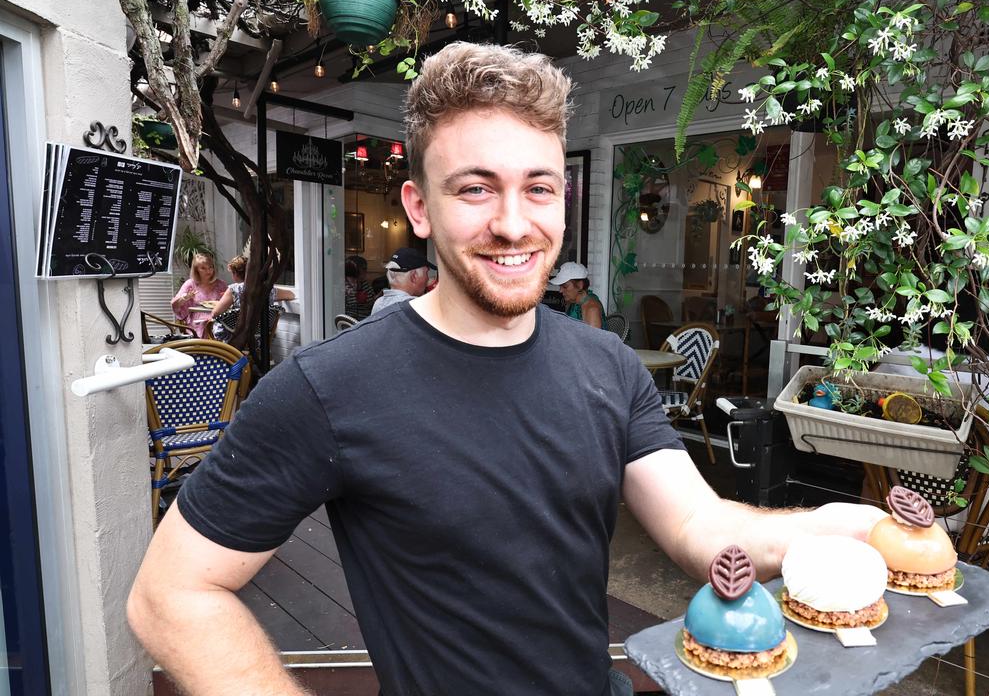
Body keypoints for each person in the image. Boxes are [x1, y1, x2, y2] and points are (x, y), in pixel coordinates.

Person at [126, 43, 885, 696]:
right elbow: (171, 593)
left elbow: (696, 524)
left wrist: (826, 529)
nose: (514, 223)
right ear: (419, 208)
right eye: (475, 187)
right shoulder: (329, 387)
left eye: (538, 187)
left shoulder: (608, 366)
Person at [208, 256, 296, 341]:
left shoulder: (234, 289)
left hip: (236, 338)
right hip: (260, 338)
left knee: (214, 325)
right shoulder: (266, 289)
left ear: (235, 273)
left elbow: (215, 313)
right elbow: (291, 295)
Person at [170, 252, 227, 338]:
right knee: (205, 325)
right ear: (196, 270)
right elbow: (175, 305)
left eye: (210, 267)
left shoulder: (221, 284)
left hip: (218, 319)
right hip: (197, 322)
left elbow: (230, 303)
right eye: (203, 268)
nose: (208, 271)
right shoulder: (190, 284)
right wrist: (185, 298)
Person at [370, 246, 436, 315]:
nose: (428, 278)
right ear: (414, 276)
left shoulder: (378, 303)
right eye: (426, 273)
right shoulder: (417, 306)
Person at [549, 261, 603, 327]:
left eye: (565, 286)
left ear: (580, 285)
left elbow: (594, 337)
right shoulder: (573, 301)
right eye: (560, 286)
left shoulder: (591, 309)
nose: (560, 291)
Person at [344, 255, 377, 320]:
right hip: (349, 321)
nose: (366, 271)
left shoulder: (365, 284)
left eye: (365, 268)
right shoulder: (344, 286)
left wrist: (369, 300)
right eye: (363, 269)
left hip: (365, 320)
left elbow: (372, 303)